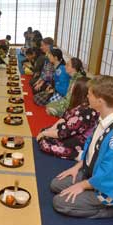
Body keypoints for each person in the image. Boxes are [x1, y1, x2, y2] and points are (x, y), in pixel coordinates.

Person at [50, 75, 113, 218]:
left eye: (89, 94)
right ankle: (87, 185)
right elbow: (91, 147)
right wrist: (77, 166)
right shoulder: (103, 117)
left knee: (59, 202)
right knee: (55, 184)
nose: (86, 96)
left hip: (106, 187)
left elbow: (109, 173)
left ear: (100, 100)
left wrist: (83, 185)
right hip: (91, 173)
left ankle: (106, 210)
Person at [37, 77, 98, 160]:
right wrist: (49, 130)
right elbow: (64, 118)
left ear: (79, 90)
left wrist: (45, 134)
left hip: (79, 139)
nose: (71, 87)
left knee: (45, 144)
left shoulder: (85, 111)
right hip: (69, 130)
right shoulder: (81, 105)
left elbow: (64, 132)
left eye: (73, 85)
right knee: (45, 131)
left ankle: (77, 155)